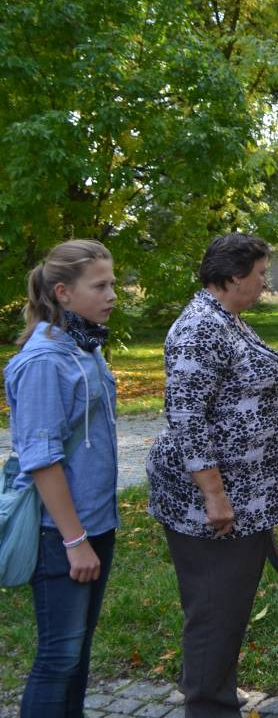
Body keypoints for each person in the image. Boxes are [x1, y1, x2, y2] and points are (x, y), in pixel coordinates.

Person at [146, 233, 278, 718]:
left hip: (243, 495)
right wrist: (214, 494)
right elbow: (186, 417)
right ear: (233, 276)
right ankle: (209, 706)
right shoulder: (200, 328)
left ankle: (213, 691)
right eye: (259, 274)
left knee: (226, 609)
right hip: (211, 505)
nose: (263, 283)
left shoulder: (227, 320)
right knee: (215, 611)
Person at [5, 240, 119, 718]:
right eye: (101, 285)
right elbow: (42, 459)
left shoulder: (83, 344)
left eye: (113, 282)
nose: (114, 293)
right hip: (62, 533)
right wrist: (75, 541)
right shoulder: (44, 362)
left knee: (77, 655)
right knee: (59, 657)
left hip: (95, 523)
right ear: (63, 293)